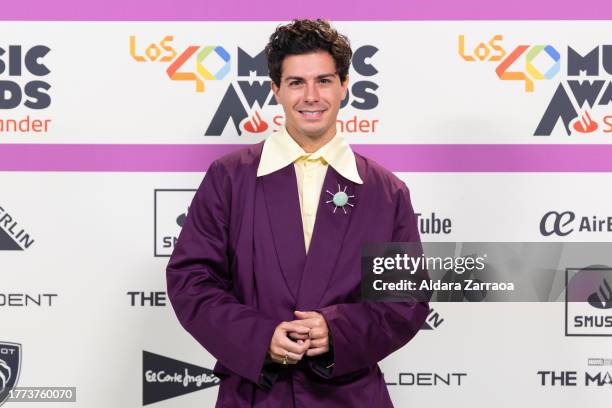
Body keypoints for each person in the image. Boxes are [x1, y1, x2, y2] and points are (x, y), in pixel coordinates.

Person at [166, 19, 428, 407]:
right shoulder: (229, 178)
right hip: (255, 394)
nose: (311, 96)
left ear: (344, 86)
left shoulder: (386, 192)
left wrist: (337, 332)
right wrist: (259, 338)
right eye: (295, 83)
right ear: (276, 89)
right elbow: (191, 281)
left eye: (323, 81)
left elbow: (405, 302)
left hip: (350, 396)